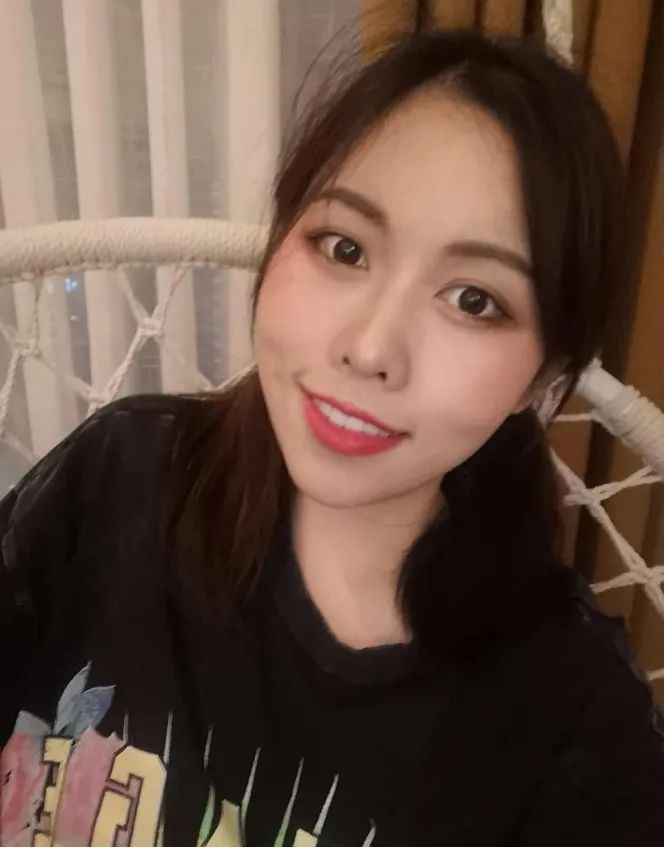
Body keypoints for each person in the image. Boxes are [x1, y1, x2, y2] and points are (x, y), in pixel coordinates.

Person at [1, 28, 663, 847]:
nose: (370, 347)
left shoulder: (573, 722)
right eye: (344, 248)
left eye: (473, 300)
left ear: (544, 378)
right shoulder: (119, 479)